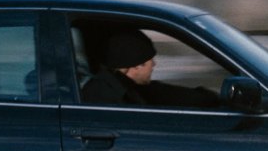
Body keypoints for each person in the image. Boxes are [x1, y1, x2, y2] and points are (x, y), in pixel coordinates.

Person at [80, 29, 219, 108]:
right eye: (149, 60)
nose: (154, 64)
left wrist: (209, 98)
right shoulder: (105, 98)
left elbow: (169, 93)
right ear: (135, 64)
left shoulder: (129, 88)